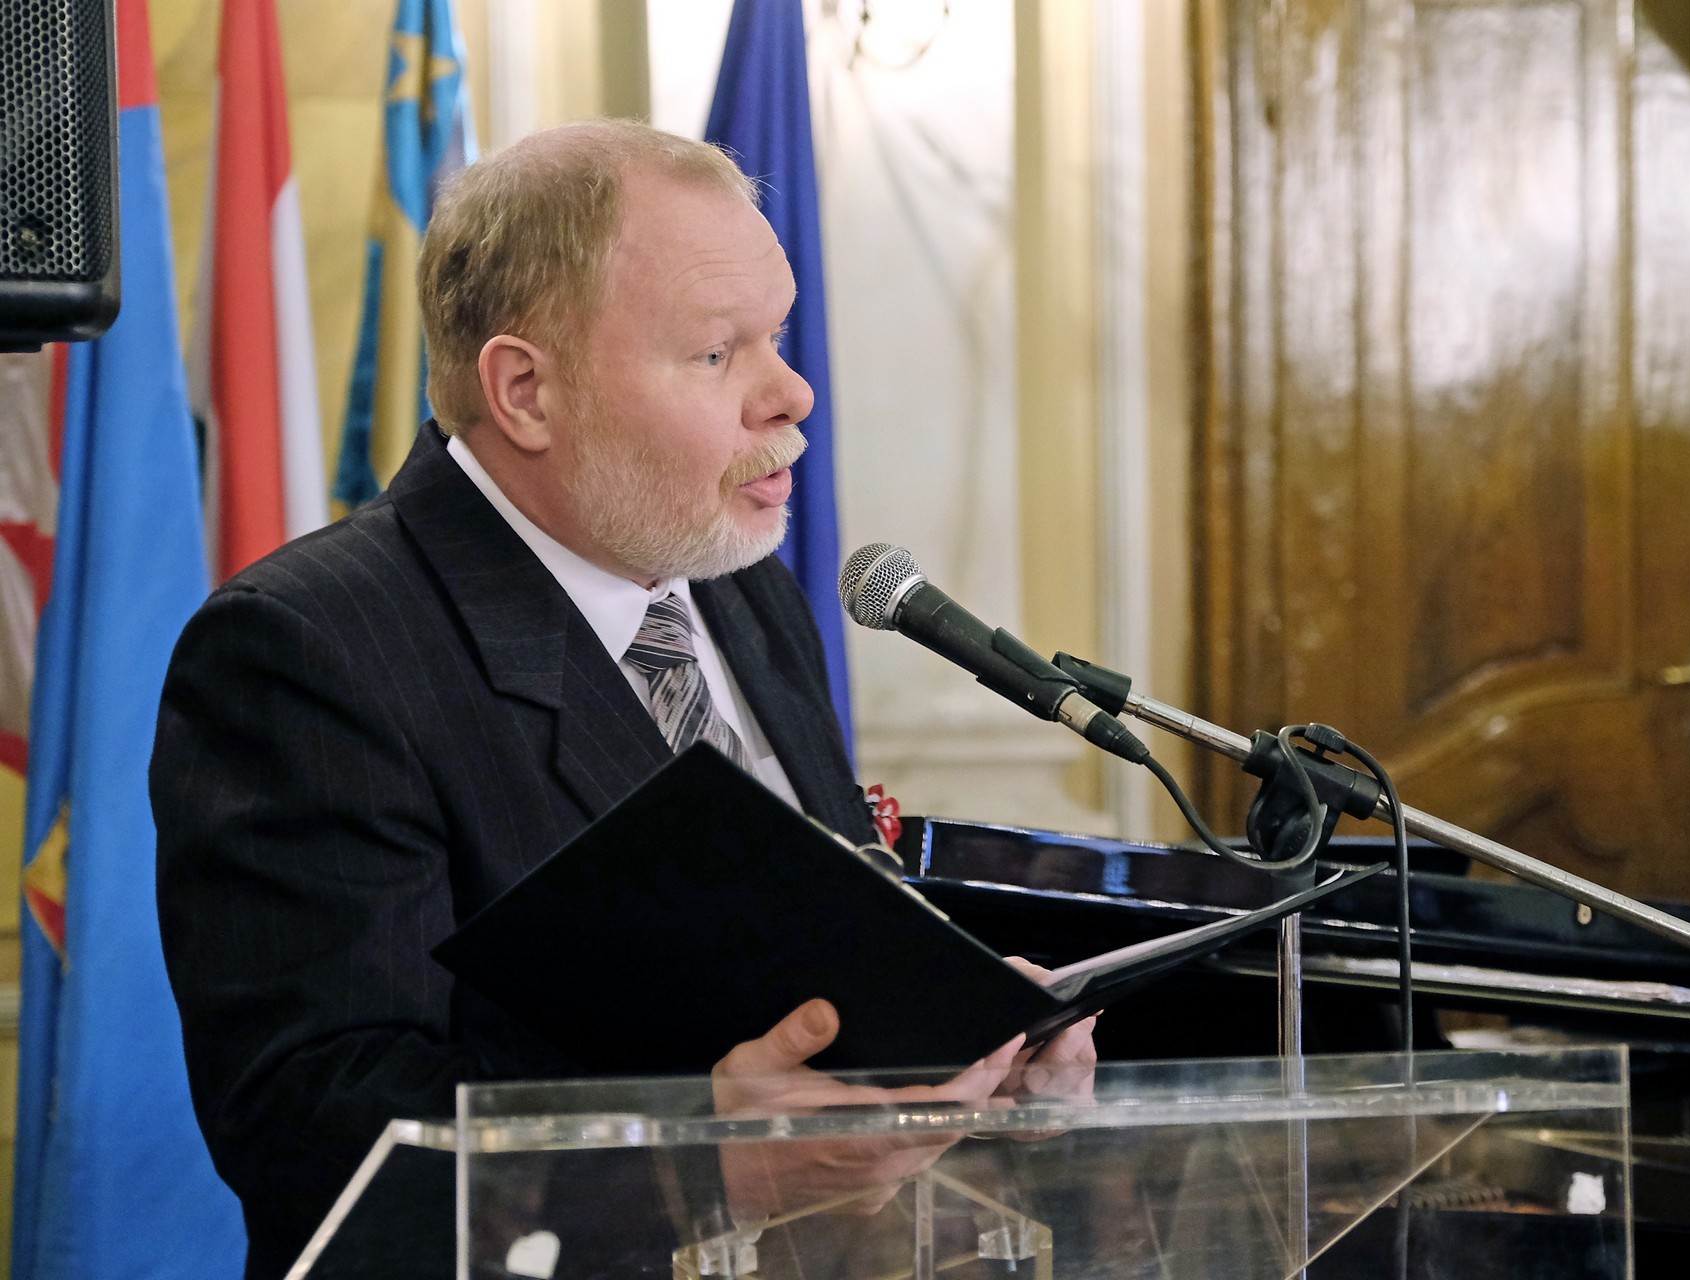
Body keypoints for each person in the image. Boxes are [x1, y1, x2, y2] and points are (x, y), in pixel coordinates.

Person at [151, 119, 1095, 1279]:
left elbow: (801, 981)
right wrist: (711, 1168)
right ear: (526, 391)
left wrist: (962, 1045)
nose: (792, 391)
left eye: (778, 334)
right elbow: (315, 1127)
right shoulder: (309, 647)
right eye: (717, 353)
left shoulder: (743, 592)